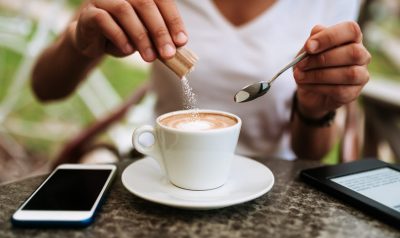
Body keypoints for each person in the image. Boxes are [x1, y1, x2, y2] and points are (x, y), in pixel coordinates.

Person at [31, 0, 370, 160]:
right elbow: (45, 88)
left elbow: (311, 151)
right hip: (160, 170)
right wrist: (79, 43)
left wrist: (316, 107)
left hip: (272, 182)